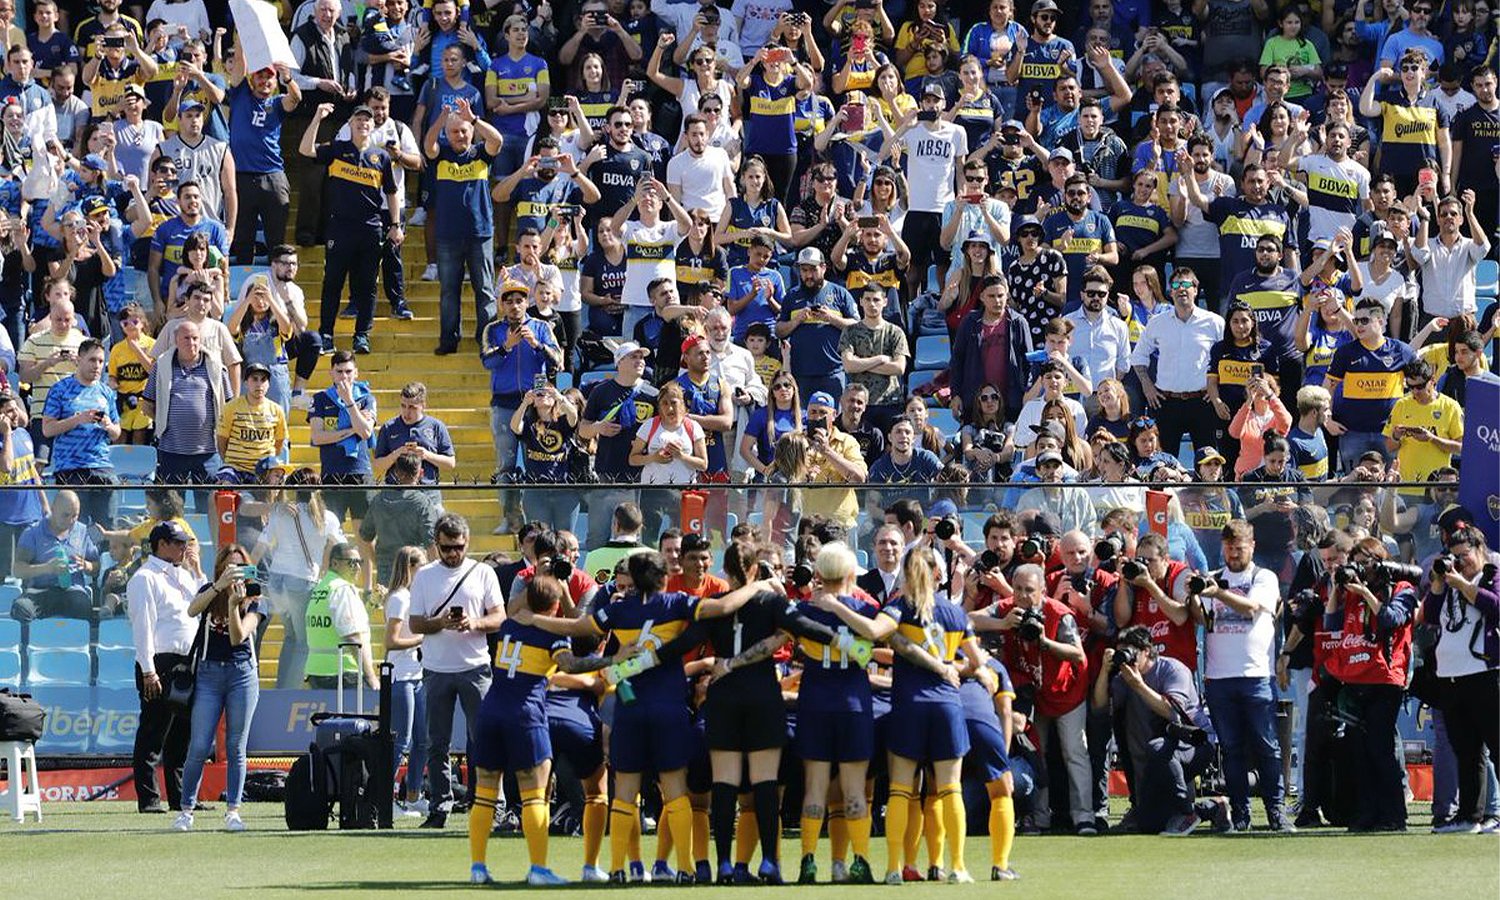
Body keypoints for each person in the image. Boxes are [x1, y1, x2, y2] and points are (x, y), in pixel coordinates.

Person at [872, 549, 980, 884]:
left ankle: (893, 867)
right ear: (938, 575)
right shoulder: (954, 612)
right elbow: (976, 662)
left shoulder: (899, 607)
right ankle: (958, 867)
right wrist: (951, 667)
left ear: (907, 575)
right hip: (947, 706)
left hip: (909, 705)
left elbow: (879, 633)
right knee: (950, 789)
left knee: (901, 790)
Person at [971, 564, 1091, 835]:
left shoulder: (1059, 614)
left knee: (1074, 752)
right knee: (1037, 753)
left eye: (1029, 590)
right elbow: (967, 620)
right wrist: (1002, 624)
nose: (1023, 596)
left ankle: (1085, 817)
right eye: (1018, 590)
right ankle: (1039, 818)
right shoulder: (1006, 609)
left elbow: (1077, 654)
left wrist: (1045, 642)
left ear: (1043, 591)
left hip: (1065, 692)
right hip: (1031, 693)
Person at [407, 514, 504, 829]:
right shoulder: (424, 576)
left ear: (467, 543)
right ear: (436, 544)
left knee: (485, 739)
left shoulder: (483, 572)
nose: (453, 553)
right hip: (436, 669)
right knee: (437, 744)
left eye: (459, 547)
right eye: (447, 547)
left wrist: (473, 623)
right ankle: (440, 806)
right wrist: (442, 623)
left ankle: (493, 804)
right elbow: (416, 623)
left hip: (475, 667)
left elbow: (499, 618)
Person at [1200, 520, 1293, 833]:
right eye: (1228, 547)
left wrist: (1219, 594)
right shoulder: (1212, 579)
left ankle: (1276, 812)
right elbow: (1201, 618)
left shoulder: (1262, 576)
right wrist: (1193, 594)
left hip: (1255, 674)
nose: (1233, 553)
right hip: (1219, 676)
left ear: (1251, 546)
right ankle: (1240, 813)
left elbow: (1252, 608)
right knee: (1231, 749)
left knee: (1267, 747)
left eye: (1239, 547)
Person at [300, 102, 402, 356]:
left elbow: (391, 193)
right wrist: (317, 117)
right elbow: (305, 149)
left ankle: (361, 336)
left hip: (371, 228)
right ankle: (326, 334)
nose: (363, 123)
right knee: (332, 282)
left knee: (367, 286)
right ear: (350, 124)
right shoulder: (337, 149)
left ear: (372, 125)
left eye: (367, 120)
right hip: (340, 228)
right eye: (358, 120)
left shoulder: (382, 157)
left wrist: (396, 225)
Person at [1092, 624, 1216, 834]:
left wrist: (1138, 685)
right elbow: (1099, 708)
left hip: (1196, 744)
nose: (1127, 659)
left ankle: (1187, 812)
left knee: (1156, 747)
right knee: (1150, 824)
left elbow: (1171, 712)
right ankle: (1213, 807)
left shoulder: (1172, 669)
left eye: (1131, 652)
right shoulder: (1124, 678)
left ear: (1147, 651)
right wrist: (1105, 670)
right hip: (1159, 759)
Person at [173, 544, 262, 833]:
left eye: (239, 567)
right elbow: (191, 610)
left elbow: (238, 638)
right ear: (221, 568)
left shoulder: (255, 598)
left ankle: (233, 811)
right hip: (209, 674)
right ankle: (185, 811)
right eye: (228, 567)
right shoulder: (210, 591)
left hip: (242, 674)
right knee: (199, 744)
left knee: (236, 746)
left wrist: (235, 604)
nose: (234, 574)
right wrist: (218, 587)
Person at [1420, 524, 1500, 833]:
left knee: (1496, 745)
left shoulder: (1491, 575)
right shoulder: (1450, 583)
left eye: (1464, 556)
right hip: (1451, 677)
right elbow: (1430, 615)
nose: (1459, 563)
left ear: (1481, 551)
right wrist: (1440, 583)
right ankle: (1470, 817)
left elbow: (1494, 606)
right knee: (1466, 751)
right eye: (1453, 557)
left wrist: (1462, 583)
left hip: (1485, 674)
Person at [125, 520, 198, 813]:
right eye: (178, 543)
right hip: (160, 662)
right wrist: (148, 670)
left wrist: (197, 570)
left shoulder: (183, 576)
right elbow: (143, 627)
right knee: (154, 732)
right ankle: (149, 798)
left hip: (186, 661)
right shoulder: (145, 577)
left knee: (182, 734)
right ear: (162, 544)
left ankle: (181, 798)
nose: (184, 548)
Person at [424, 98, 503, 355]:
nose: (459, 135)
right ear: (448, 134)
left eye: (464, 131)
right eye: (454, 132)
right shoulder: (442, 154)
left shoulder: (481, 154)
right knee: (449, 292)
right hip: (447, 235)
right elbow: (428, 145)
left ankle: (487, 340)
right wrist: (442, 118)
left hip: (480, 233)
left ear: (471, 132)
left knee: (485, 290)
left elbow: (497, 141)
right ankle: (449, 341)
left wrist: (474, 119)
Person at [1129, 266, 1224, 458]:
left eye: (1186, 284)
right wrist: (1147, 386)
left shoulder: (1214, 322)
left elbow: (1226, 358)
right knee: (1163, 463)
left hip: (1202, 402)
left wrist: (1215, 390)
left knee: (1207, 463)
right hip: (1167, 403)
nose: (1181, 289)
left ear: (1196, 290)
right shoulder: (1157, 322)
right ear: (1170, 291)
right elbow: (1138, 357)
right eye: (1176, 285)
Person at [225, 49, 300, 265]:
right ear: (252, 78)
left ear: (275, 82)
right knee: (243, 240)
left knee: (276, 240)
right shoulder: (240, 95)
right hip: (241, 176)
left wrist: (288, 78)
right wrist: (243, 31)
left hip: (273, 177)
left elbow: (295, 98)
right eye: (260, 76)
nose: (264, 81)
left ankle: (277, 286)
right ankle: (242, 291)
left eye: (269, 77)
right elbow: (240, 60)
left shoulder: (277, 103)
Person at [1324, 298, 1416, 471]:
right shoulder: (1345, 352)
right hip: (1352, 433)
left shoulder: (1401, 351)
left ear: (1380, 321)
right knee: (1354, 488)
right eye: (1356, 321)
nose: (1359, 325)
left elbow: (1420, 383)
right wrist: (1327, 419)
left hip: (1390, 434)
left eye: (1364, 320)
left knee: (1390, 487)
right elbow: (1327, 387)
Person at [484, 281, 562, 476]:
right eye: (509, 301)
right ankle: (509, 507)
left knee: (537, 461)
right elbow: (486, 361)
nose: (515, 306)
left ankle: (534, 505)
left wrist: (537, 344)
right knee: (506, 464)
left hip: (536, 405)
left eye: (519, 301)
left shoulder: (541, 327)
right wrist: (506, 346)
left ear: (527, 303)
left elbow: (558, 360)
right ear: (501, 305)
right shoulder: (492, 329)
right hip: (504, 404)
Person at [141, 320, 233, 486]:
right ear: (176, 340)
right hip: (171, 451)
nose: (192, 343)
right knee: (170, 506)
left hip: (208, 452)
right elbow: (147, 404)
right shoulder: (160, 366)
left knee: (209, 505)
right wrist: (165, 421)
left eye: (195, 338)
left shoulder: (217, 368)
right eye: (186, 338)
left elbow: (228, 406)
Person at [41, 338, 119, 527]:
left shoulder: (106, 392)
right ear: (80, 359)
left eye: (101, 361)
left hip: (102, 467)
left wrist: (108, 425)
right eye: (92, 360)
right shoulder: (60, 389)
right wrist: (77, 420)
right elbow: (47, 429)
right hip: (71, 469)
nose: (97, 366)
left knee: (107, 530)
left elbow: (117, 432)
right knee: (74, 530)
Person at [382, 545, 431, 819]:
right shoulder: (400, 598)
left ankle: (414, 795)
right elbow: (391, 641)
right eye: (421, 565)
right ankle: (383, 795)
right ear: (410, 567)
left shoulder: (414, 596)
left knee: (422, 740)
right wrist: (423, 638)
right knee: (401, 740)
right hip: (401, 675)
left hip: (417, 674)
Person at [303, 540, 378, 691]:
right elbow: (351, 635)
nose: (357, 567)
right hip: (342, 673)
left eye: (359, 562)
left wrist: (372, 604)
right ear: (335, 563)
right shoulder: (342, 589)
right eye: (351, 563)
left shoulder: (322, 587)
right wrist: (370, 676)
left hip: (317, 671)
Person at [358, 453, 443, 585]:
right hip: (415, 566)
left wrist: (378, 561)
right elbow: (431, 542)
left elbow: (365, 537)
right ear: (420, 473)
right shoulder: (422, 502)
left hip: (386, 568)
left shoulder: (379, 500)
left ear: (396, 473)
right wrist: (437, 575)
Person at [373, 381, 456, 485]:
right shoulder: (389, 427)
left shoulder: (436, 427)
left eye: (412, 407)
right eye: (403, 406)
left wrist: (426, 455)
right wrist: (396, 455)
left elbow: (451, 463)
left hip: (428, 490)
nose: (406, 412)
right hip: (395, 491)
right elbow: (377, 465)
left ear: (423, 406)